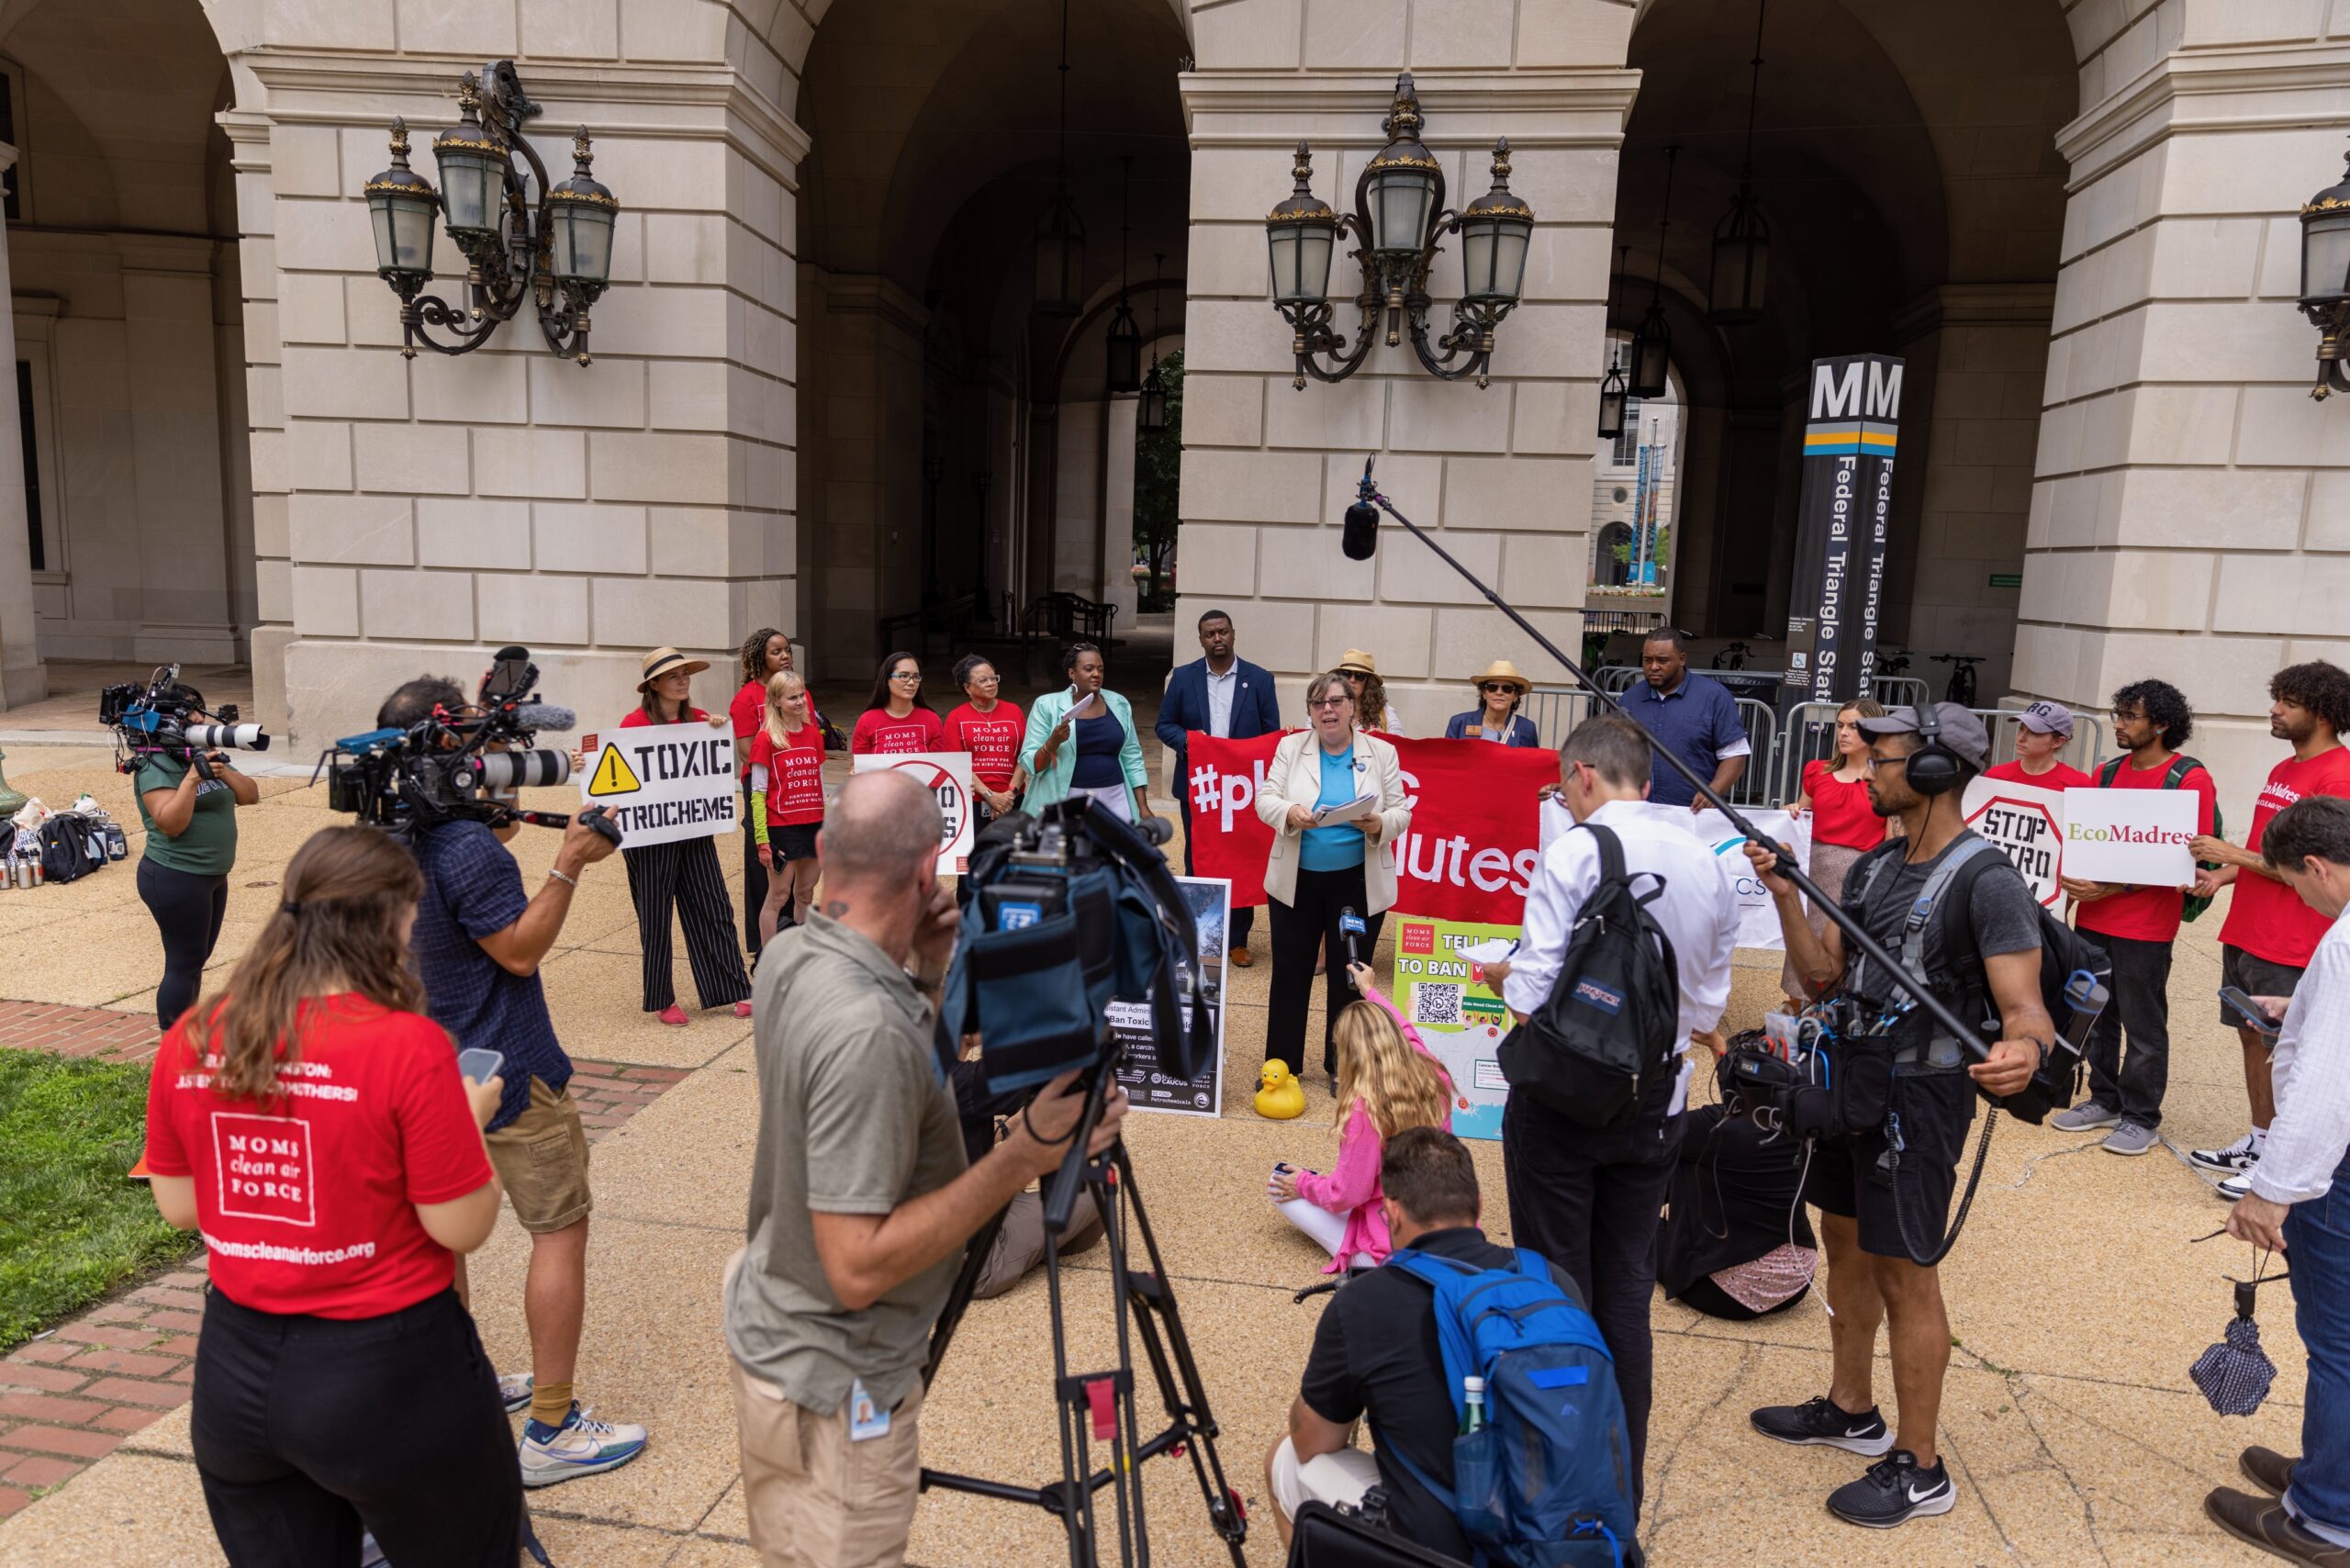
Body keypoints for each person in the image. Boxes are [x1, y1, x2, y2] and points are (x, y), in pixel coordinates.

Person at [723, 769, 1130, 1565]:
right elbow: (855, 1265)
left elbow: (902, 1080)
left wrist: (935, 973)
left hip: (783, 1342)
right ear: (923, 874)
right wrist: (1026, 1155)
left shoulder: (790, 955)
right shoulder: (865, 1030)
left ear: (823, 852)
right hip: (836, 1393)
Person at [141, 826, 522, 1566]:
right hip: (387, 1375)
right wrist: (467, 1122)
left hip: (235, 1373)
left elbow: (182, 1207)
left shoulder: (194, 1033)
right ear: (389, 921)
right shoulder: (406, 1046)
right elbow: (461, 1225)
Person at [1742, 702, 2053, 1529]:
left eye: (1882, 756)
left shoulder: (1988, 882)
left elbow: (2027, 1012)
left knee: (1906, 1271)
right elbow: (1819, 980)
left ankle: (1921, 1466)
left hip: (1922, 1099)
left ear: (1931, 772)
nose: (1867, 768)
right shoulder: (1876, 869)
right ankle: (1852, 1409)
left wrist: (2023, 1051)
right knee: (1843, 1238)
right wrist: (1783, 895)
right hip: (1856, 1084)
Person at [380, 675, 648, 1486]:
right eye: (478, 740)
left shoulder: (386, 836)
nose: (494, 755)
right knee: (558, 1231)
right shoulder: (462, 849)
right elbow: (520, 948)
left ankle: (459, 1390)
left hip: (422, 1073)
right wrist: (568, 862)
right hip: (511, 1069)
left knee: (437, 1238)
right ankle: (553, 1428)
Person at [1490, 711, 1738, 1518]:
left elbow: (1529, 994)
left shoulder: (1574, 849)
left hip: (1562, 1105)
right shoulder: (1705, 862)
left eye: (1564, 785)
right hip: (1657, 1105)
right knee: (1626, 1294)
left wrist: (1498, 974)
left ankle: (1556, 1489)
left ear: (1582, 777)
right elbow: (1708, 1007)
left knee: (1558, 1290)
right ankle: (1617, 1493)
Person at [1264, 1127, 1590, 1555]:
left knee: (1284, 1459)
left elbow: (1313, 1442)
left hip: (1451, 1546)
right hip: (1570, 1532)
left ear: (1392, 1214)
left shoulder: (1367, 1301)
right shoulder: (1552, 1280)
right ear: (1478, 1207)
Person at [2209, 794, 2350, 1565]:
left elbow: (2331, 1085)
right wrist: (2303, 1007)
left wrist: (2271, 1189)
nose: (2299, 896)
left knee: (2338, 1341)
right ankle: (2332, 1471)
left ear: (2320, 866)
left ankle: (2328, 1516)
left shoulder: (2345, 942)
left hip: (2342, 1167)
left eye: (2297, 883)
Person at [2190, 661, 2350, 1200]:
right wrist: (2224, 876)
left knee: (2287, 1047)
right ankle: (2260, 1139)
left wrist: (2230, 852)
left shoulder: (2338, 775)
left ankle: (2279, 1159)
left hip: (2291, 936)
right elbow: (2271, 850)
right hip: (2250, 928)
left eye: (2287, 701)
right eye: (2276, 698)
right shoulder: (2285, 770)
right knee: (2251, 1036)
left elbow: (2314, 865)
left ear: (2322, 711)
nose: (2274, 710)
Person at [2051, 679, 2214, 1155]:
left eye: (2129, 716)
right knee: (2097, 1016)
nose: (2118, 724)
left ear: (2161, 724)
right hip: (2095, 919)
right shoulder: (2105, 773)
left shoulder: (2189, 778)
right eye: (2116, 714)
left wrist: (2110, 887)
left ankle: (2142, 1116)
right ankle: (2104, 1099)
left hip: (2146, 924)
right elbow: (2086, 838)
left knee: (2144, 1024)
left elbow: (2185, 857)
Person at [1257, 672, 1412, 1083]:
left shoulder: (1381, 753)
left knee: (1349, 976)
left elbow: (1402, 811)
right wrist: (1289, 813)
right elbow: (1266, 799)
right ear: (1310, 712)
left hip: (1355, 884)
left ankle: (1341, 1066)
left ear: (1353, 708)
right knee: (1290, 973)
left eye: (1337, 701)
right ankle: (1282, 1066)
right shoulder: (1290, 747)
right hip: (1297, 882)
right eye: (1318, 703)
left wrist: (1379, 823)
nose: (1328, 709)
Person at [1267, 961, 1454, 1272]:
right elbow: (1404, 1029)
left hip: (1392, 1241)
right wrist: (1370, 991)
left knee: (1278, 1184)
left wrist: (1303, 1184)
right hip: (1447, 1226)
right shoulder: (1432, 1070)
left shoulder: (1367, 1109)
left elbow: (1349, 1193)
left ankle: (1365, 1261)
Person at [616, 647, 755, 1027]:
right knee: (656, 915)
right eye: (673, 675)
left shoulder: (700, 721)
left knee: (713, 905)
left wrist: (718, 730)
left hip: (693, 830)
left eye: (685, 673)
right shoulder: (633, 724)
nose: (682, 680)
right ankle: (662, 998)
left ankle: (733, 988)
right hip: (650, 836)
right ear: (654, 685)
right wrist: (585, 763)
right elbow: (613, 773)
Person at [1157, 609, 1281, 962]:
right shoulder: (1183, 678)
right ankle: (1203, 934)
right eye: (1210, 634)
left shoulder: (1259, 679)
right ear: (1201, 639)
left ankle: (1237, 940)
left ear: (1233, 633)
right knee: (1200, 857)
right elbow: (1165, 725)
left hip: (1242, 791)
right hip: (1201, 786)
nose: (1217, 639)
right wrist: (1191, 744)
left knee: (1240, 860)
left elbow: (1271, 734)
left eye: (1223, 632)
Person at [133, 711, 261, 1031]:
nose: (200, 723)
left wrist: (220, 771)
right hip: (175, 875)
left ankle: (187, 1035)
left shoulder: (204, 755)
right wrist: (192, 779)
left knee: (195, 962)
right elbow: (171, 824)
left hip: (212, 876)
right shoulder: (154, 766)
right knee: (183, 964)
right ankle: (173, 1047)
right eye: (191, 718)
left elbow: (250, 795)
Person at [1660, 1101, 1818, 1322]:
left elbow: (1644, 1133)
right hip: (1798, 1279)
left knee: (1679, 1149)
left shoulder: (1719, 1123)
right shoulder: (1804, 1113)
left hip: (1727, 1294)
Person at [1785, 697, 1893, 1007]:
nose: (1843, 733)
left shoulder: (1884, 779)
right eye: (1840, 725)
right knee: (1804, 939)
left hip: (1859, 871)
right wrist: (1792, 809)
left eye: (1853, 727)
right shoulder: (1817, 771)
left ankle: (1838, 1012)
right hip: (1814, 865)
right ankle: (1796, 1013)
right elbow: (1800, 815)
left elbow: (1892, 838)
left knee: (1845, 948)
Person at [1020, 641, 1153, 823]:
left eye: (1100, 669)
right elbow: (1031, 765)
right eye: (1089, 669)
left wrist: (1143, 807)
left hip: (1115, 796)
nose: (1096, 674)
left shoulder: (1118, 703)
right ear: (1072, 673)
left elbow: (1132, 755)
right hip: (1067, 798)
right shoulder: (1046, 705)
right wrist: (1053, 742)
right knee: (1070, 851)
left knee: (1116, 850)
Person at [1621, 628, 1750, 808]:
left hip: (1694, 815)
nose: (1653, 667)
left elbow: (1735, 755)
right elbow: (1613, 753)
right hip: (1638, 812)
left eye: (1662, 660)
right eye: (1648, 660)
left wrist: (1713, 792)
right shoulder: (1629, 699)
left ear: (1682, 659)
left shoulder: (1714, 697)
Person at [747, 670, 825, 949]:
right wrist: (762, 839)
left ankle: (801, 958)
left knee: (805, 893)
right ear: (776, 701)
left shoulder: (814, 735)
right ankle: (769, 960)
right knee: (778, 898)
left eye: (802, 694)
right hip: (782, 828)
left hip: (814, 824)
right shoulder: (766, 739)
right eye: (792, 697)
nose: (800, 701)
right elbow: (757, 793)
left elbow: (816, 780)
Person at [731, 627, 795, 960]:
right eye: (776, 651)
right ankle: (761, 946)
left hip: (797, 786)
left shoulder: (797, 691)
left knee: (796, 862)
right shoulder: (746, 699)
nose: (785, 656)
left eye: (787, 650)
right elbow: (745, 752)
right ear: (759, 658)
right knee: (763, 863)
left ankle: (793, 936)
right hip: (762, 787)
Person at [944, 655, 1026, 826]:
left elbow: (1024, 756)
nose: (991, 683)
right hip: (972, 802)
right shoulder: (956, 717)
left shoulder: (1014, 711)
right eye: (983, 680)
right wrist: (991, 796)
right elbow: (956, 763)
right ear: (967, 688)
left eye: (993, 678)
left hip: (1013, 799)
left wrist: (1008, 796)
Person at [851, 650, 947, 756]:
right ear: (887, 679)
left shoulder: (931, 720)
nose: (911, 683)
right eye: (904, 676)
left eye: (916, 677)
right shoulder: (867, 720)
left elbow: (939, 766)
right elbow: (861, 765)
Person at [1984, 700, 2092, 790]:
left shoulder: (2078, 785)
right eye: (2021, 729)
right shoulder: (1996, 776)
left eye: (2034, 732)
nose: (2021, 738)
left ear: (2057, 742)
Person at [1444, 659, 1540, 746]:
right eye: (1492, 687)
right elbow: (1447, 761)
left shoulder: (1527, 728)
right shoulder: (1459, 723)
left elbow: (1534, 763)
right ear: (1484, 693)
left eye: (1507, 689)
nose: (1499, 692)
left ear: (1515, 696)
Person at [1336, 649, 1401, 734]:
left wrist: (1383, 739)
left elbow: (1400, 744)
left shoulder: (1385, 713)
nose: (1352, 680)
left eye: (1359, 675)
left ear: (1369, 682)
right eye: (1346, 673)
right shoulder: (1326, 707)